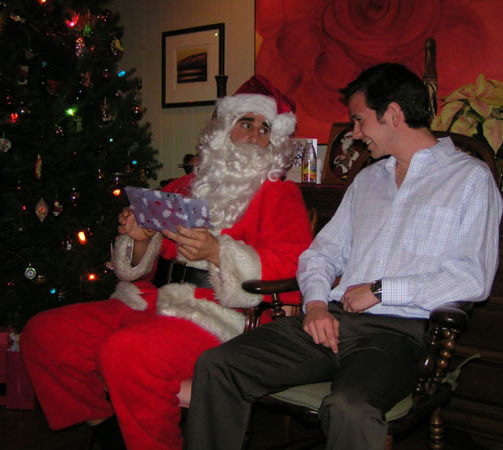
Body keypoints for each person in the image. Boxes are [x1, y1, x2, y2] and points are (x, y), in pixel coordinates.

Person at [184, 63, 503, 450]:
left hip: (399, 335)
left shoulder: (469, 179)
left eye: (359, 120)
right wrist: (316, 305)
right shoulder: (368, 180)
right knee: (218, 365)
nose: (354, 133)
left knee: (350, 408)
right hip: (331, 321)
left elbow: (473, 277)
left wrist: (382, 290)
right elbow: (321, 254)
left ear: (393, 114)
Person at [19, 75, 313, 450]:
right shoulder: (181, 187)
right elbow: (136, 267)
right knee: (44, 333)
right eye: (246, 123)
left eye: (265, 128)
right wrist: (140, 239)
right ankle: (107, 424)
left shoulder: (280, 195)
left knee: (126, 353)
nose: (255, 135)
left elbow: (293, 266)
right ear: (225, 128)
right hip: (148, 300)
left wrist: (217, 252)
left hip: (220, 315)